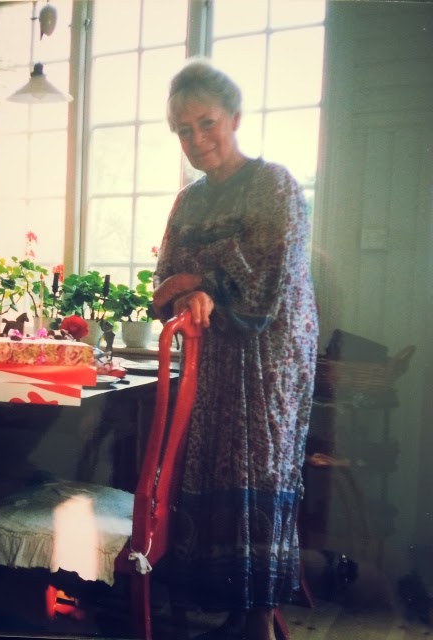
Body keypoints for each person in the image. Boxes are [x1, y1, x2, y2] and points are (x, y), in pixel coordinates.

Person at [152, 59, 318, 640]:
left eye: (207, 123)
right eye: (184, 130)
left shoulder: (274, 184)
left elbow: (266, 281)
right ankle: (230, 610)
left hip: (268, 359)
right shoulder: (187, 202)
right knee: (206, 468)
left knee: (258, 470)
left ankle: (257, 621)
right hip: (212, 358)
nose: (197, 139)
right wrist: (190, 291)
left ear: (235, 118)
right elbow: (163, 282)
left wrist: (200, 283)